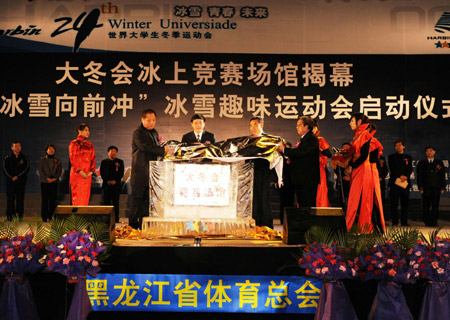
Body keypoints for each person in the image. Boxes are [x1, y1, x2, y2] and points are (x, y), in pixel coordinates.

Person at [130, 109, 170, 230]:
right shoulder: (137, 133)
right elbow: (145, 147)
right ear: (142, 120)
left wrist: (166, 151)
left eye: (153, 120)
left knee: (147, 203)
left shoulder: (154, 133)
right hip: (140, 173)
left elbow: (156, 148)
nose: (151, 122)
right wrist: (162, 150)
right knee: (136, 202)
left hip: (151, 173)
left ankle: (144, 226)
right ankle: (132, 227)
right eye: (148, 120)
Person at [278, 115, 320, 208]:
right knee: (302, 205)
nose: (297, 127)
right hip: (302, 179)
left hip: (307, 179)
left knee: (307, 206)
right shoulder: (304, 138)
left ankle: (309, 223)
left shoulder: (311, 138)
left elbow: (302, 152)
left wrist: (285, 150)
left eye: (299, 125)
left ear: (306, 126)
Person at [345, 113, 374, 232]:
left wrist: (352, 165)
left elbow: (363, 156)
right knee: (354, 198)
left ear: (359, 121)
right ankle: (351, 226)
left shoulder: (365, 135)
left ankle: (361, 227)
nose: (350, 123)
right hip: (357, 169)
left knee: (360, 199)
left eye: (352, 121)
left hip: (362, 169)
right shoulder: (357, 135)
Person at [248, 116, 274, 228]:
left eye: (255, 125)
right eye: (251, 125)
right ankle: (256, 225)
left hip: (265, 172)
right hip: (253, 172)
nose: (252, 128)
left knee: (265, 199)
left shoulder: (268, 139)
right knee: (255, 199)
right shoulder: (248, 140)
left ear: (261, 125)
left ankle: (267, 226)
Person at [416, 146, 446, 227]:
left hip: (436, 188)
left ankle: (434, 222)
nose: (429, 152)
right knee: (426, 206)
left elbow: (442, 175)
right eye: (427, 151)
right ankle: (427, 222)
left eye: (431, 151)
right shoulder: (422, 163)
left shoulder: (439, 163)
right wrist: (420, 187)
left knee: (435, 206)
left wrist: (443, 187)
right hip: (426, 188)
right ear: (425, 153)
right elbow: (419, 176)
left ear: (434, 152)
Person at [69, 123, 96, 206]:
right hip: (77, 174)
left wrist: (91, 172)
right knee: (76, 196)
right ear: (79, 131)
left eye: (88, 130)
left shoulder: (90, 145)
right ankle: (76, 218)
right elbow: (73, 158)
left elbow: (93, 159)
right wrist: (80, 171)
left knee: (85, 197)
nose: (88, 132)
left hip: (87, 174)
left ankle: (83, 218)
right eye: (85, 130)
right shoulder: (74, 143)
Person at [2, 142, 29, 221]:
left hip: (21, 183)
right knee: (10, 200)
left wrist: (18, 176)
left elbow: (26, 168)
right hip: (10, 183)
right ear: (12, 148)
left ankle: (19, 217)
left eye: (19, 146)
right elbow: (4, 169)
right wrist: (11, 177)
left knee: (20, 200)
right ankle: (10, 217)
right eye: (15, 146)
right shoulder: (8, 158)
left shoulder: (24, 158)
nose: (17, 148)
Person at [388, 140, 412, 226]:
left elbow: (410, 169)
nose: (398, 147)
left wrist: (406, 176)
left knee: (404, 203)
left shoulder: (408, 157)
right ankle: (395, 222)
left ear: (403, 146)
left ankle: (404, 222)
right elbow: (392, 168)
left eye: (399, 145)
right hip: (395, 182)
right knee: (394, 203)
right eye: (396, 146)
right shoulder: (391, 156)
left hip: (405, 183)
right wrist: (400, 176)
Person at [368, 124, 386, 232]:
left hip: (370, 172)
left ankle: (377, 227)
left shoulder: (373, 142)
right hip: (364, 173)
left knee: (374, 202)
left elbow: (373, 160)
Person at [100, 146, 124, 223]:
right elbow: (102, 173)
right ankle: (106, 219)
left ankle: (116, 219)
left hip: (116, 186)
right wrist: (107, 181)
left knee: (115, 203)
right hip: (106, 186)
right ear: (108, 152)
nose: (113, 153)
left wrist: (115, 181)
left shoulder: (120, 162)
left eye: (114, 151)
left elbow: (121, 173)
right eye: (111, 151)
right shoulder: (104, 162)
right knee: (106, 202)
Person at [38, 144, 62, 222]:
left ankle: (51, 216)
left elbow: (59, 171)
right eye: (49, 149)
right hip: (45, 182)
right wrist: (46, 178)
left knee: (53, 200)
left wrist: (55, 178)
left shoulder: (57, 160)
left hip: (54, 182)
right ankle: (44, 217)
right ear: (46, 151)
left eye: (53, 149)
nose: (51, 150)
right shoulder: (42, 159)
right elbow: (40, 171)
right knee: (45, 200)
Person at [275, 142, 295, 224]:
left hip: (291, 182)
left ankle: (289, 219)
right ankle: (282, 219)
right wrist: (276, 180)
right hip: (282, 181)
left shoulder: (293, 157)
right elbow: (277, 170)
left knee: (290, 201)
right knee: (282, 201)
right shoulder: (280, 157)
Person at [312, 120, 331, 207]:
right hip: (307, 169)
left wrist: (320, 151)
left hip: (319, 169)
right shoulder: (303, 140)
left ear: (316, 128)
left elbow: (329, 154)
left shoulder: (320, 140)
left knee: (319, 191)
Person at [332, 142, 351, 208]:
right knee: (340, 199)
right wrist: (343, 176)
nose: (345, 148)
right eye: (344, 147)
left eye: (347, 147)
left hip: (351, 181)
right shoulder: (338, 157)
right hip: (341, 181)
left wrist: (350, 177)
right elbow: (336, 169)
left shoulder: (352, 157)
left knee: (351, 198)